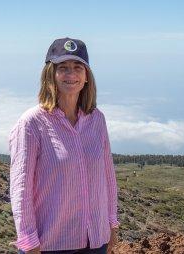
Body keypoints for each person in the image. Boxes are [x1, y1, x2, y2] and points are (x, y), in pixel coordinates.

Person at [9, 37, 119, 254]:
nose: (71, 74)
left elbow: (108, 177)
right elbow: (21, 189)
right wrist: (29, 241)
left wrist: (112, 224)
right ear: (51, 74)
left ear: (87, 76)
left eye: (78, 67)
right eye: (63, 68)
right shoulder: (32, 123)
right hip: (52, 244)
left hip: (96, 240)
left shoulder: (97, 120)